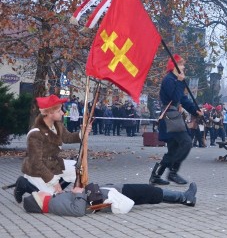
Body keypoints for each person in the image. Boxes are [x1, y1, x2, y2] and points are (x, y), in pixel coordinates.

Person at [15, 95, 84, 203]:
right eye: (59, 110)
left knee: (79, 170)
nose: (62, 113)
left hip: (53, 164)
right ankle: (23, 184)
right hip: (37, 170)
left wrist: (83, 133)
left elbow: (68, 137)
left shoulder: (57, 125)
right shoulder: (35, 134)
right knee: (50, 199)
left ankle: (56, 189)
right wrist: (53, 181)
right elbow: (36, 163)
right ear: (50, 113)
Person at [149, 54, 202, 186]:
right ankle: (173, 172)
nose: (184, 67)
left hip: (173, 117)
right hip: (170, 117)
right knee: (186, 142)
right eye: (181, 64)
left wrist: (195, 110)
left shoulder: (175, 80)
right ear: (174, 66)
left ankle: (156, 176)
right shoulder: (169, 80)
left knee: (173, 149)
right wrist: (179, 82)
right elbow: (174, 97)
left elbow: (182, 99)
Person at [20, 182, 197, 216]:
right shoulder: (55, 204)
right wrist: (79, 192)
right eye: (38, 194)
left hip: (111, 193)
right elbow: (78, 210)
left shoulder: (54, 201)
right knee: (150, 191)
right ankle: (184, 197)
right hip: (112, 196)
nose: (42, 192)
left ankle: (184, 199)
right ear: (39, 200)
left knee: (149, 194)